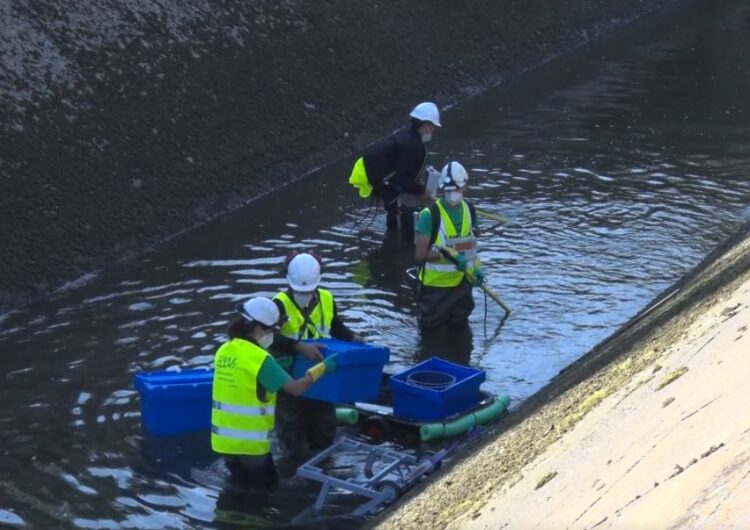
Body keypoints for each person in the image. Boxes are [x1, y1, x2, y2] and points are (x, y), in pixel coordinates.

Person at [210, 296, 337, 488]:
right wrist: (322, 369)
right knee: (265, 490)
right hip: (250, 445)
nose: (273, 335)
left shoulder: (223, 351)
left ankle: (229, 513)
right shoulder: (260, 359)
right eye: (271, 330)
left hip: (222, 442)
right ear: (258, 330)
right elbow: (295, 388)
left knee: (237, 485)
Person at [270, 251, 364, 460]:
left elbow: (336, 327)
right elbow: (268, 337)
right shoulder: (279, 303)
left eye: (310, 290)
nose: (305, 294)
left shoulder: (327, 299)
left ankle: (322, 458)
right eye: (300, 291)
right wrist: (298, 346)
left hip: (321, 370)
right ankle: (292, 463)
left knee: (324, 422)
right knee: (290, 423)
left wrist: (354, 338)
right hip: (290, 373)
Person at [348, 101, 442, 230]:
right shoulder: (414, 146)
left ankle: (393, 236)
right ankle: (396, 238)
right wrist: (422, 191)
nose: (433, 131)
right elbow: (402, 178)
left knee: (394, 209)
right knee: (399, 216)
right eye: (433, 127)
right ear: (426, 125)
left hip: (374, 171)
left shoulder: (408, 134)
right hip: (378, 177)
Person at [414, 161, 484, 330]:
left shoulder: (470, 210)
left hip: (463, 283)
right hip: (436, 289)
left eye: (456, 190)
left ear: (465, 187)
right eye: (448, 191)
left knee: (461, 328)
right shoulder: (429, 216)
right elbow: (419, 256)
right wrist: (448, 256)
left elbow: (469, 245)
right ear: (442, 190)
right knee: (433, 332)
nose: (452, 194)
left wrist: (476, 268)